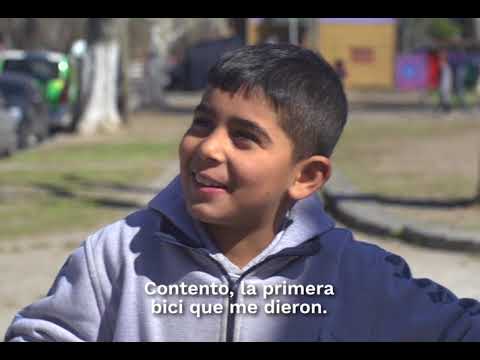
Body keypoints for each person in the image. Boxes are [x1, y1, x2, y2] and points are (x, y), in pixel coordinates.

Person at [4, 44, 480, 342]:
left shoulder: (357, 275)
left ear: (306, 177)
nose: (207, 147)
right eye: (202, 123)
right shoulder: (115, 257)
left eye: (244, 137)